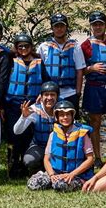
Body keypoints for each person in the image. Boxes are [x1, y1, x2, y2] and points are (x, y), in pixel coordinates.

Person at [5, 32, 49, 177]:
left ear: (31, 47)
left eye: (26, 46)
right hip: (13, 104)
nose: (23, 49)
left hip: (31, 104)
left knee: (28, 135)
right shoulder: (11, 61)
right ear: (16, 48)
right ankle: (13, 163)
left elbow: (47, 82)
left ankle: (26, 164)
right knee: (14, 134)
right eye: (20, 46)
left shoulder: (39, 62)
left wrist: (41, 94)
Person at [27, 100, 94, 192]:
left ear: (72, 116)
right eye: (62, 115)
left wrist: (72, 174)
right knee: (33, 184)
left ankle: (74, 182)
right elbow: (46, 159)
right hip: (55, 173)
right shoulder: (53, 134)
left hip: (76, 175)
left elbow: (90, 159)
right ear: (57, 117)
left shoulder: (83, 134)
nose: (65, 117)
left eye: (68, 115)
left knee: (60, 185)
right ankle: (53, 181)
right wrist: (51, 175)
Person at [81, 11, 106, 168]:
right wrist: (92, 68)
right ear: (91, 26)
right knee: (95, 123)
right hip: (94, 88)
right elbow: (79, 70)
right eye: (94, 24)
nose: (97, 27)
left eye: (100, 24)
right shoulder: (85, 45)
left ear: (105, 25)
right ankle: (97, 158)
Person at [37, 13, 86, 114]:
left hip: (70, 93)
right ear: (52, 28)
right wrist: (40, 92)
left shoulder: (75, 47)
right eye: (56, 26)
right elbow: (37, 71)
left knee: (69, 124)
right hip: (49, 93)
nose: (59, 29)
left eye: (62, 26)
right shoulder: (44, 46)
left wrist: (78, 93)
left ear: (66, 27)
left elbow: (80, 71)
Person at [13, 81, 59, 174]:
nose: (49, 98)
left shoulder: (62, 109)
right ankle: (39, 168)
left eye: (52, 95)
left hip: (57, 147)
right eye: (46, 95)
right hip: (39, 146)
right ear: (41, 97)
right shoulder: (34, 109)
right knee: (28, 160)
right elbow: (16, 131)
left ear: (57, 96)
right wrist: (24, 117)